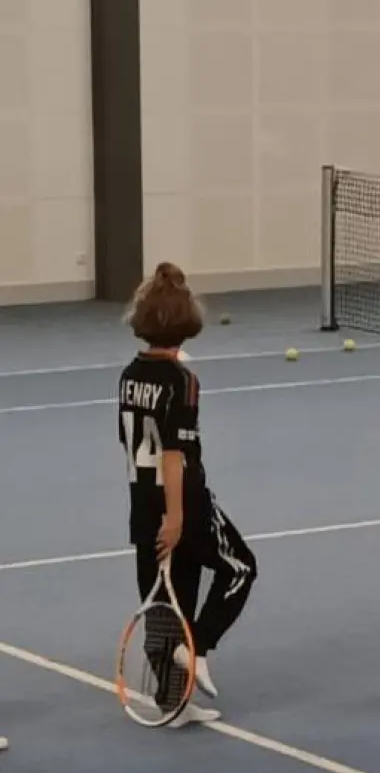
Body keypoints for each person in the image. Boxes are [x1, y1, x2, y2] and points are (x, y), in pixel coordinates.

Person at [118, 262, 258, 728]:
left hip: (142, 503)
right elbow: (174, 454)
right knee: (240, 568)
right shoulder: (182, 381)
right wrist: (176, 516)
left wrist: (157, 510)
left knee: (166, 598)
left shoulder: (129, 374)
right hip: (185, 504)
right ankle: (196, 646)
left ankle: (171, 700)